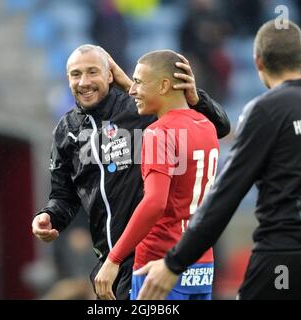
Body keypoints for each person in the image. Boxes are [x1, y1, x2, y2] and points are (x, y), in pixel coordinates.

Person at [136, 20, 301, 300]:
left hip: (287, 258)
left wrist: (173, 262)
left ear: (258, 62)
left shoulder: (267, 109)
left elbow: (226, 193)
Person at [31, 44, 230, 300]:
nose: (84, 82)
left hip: (146, 257)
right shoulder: (66, 131)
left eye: (92, 72)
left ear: (110, 74)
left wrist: (196, 97)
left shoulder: (140, 112)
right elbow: (63, 196)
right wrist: (50, 216)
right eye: (75, 74)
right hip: (109, 263)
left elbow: (217, 125)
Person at [94, 50, 219, 300]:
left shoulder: (158, 132)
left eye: (139, 82)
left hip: (158, 265)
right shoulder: (207, 126)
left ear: (164, 85)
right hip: (201, 264)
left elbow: (155, 203)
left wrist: (113, 258)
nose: (131, 90)